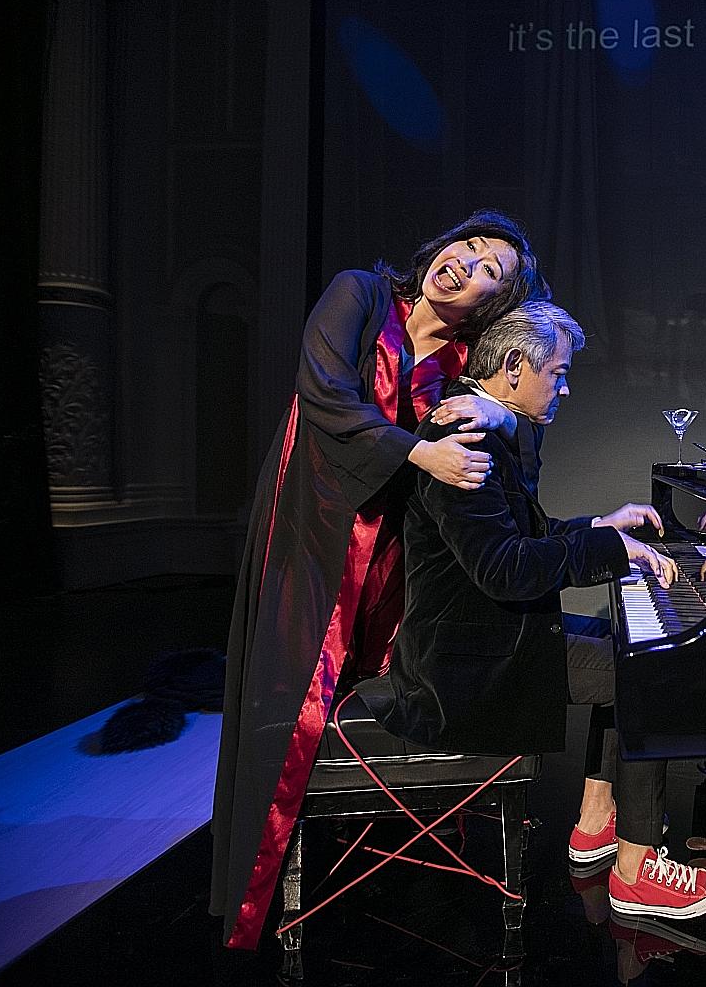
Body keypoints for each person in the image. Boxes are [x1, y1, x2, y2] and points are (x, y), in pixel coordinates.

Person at [210, 210, 549, 950]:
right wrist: (421, 454)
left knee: (378, 690)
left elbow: (529, 415)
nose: (466, 262)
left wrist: (493, 408)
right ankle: (259, 897)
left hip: (391, 550)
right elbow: (324, 393)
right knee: (292, 700)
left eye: (490, 269)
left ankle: (378, 868)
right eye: (468, 245)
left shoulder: (464, 363)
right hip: (313, 529)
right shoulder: (360, 294)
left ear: (492, 305)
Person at [364, 300, 706, 920]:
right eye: (557, 372)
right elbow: (505, 570)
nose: (564, 388)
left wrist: (600, 525)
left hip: (483, 641)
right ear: (513, 367)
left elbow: (522, 538)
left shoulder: (483, 429)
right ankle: (638, 869)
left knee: (628, 646)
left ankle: (595, 823)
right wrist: (610, 549)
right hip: (464, 670)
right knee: (648, 671)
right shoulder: (465, 445)